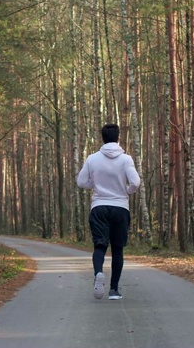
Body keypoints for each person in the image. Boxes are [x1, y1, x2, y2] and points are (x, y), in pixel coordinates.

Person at [76, 123, 140, 300]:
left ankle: (98, 273)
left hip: (99, 207)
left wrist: (95, 185)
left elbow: (81, 182)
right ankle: (113, 290)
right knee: (117, 249)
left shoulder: (92, 159)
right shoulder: (126, 159)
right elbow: (135, 182)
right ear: (118, 137)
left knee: (100, 245)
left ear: (102, 137)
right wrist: (125, 191)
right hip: (120, 207)